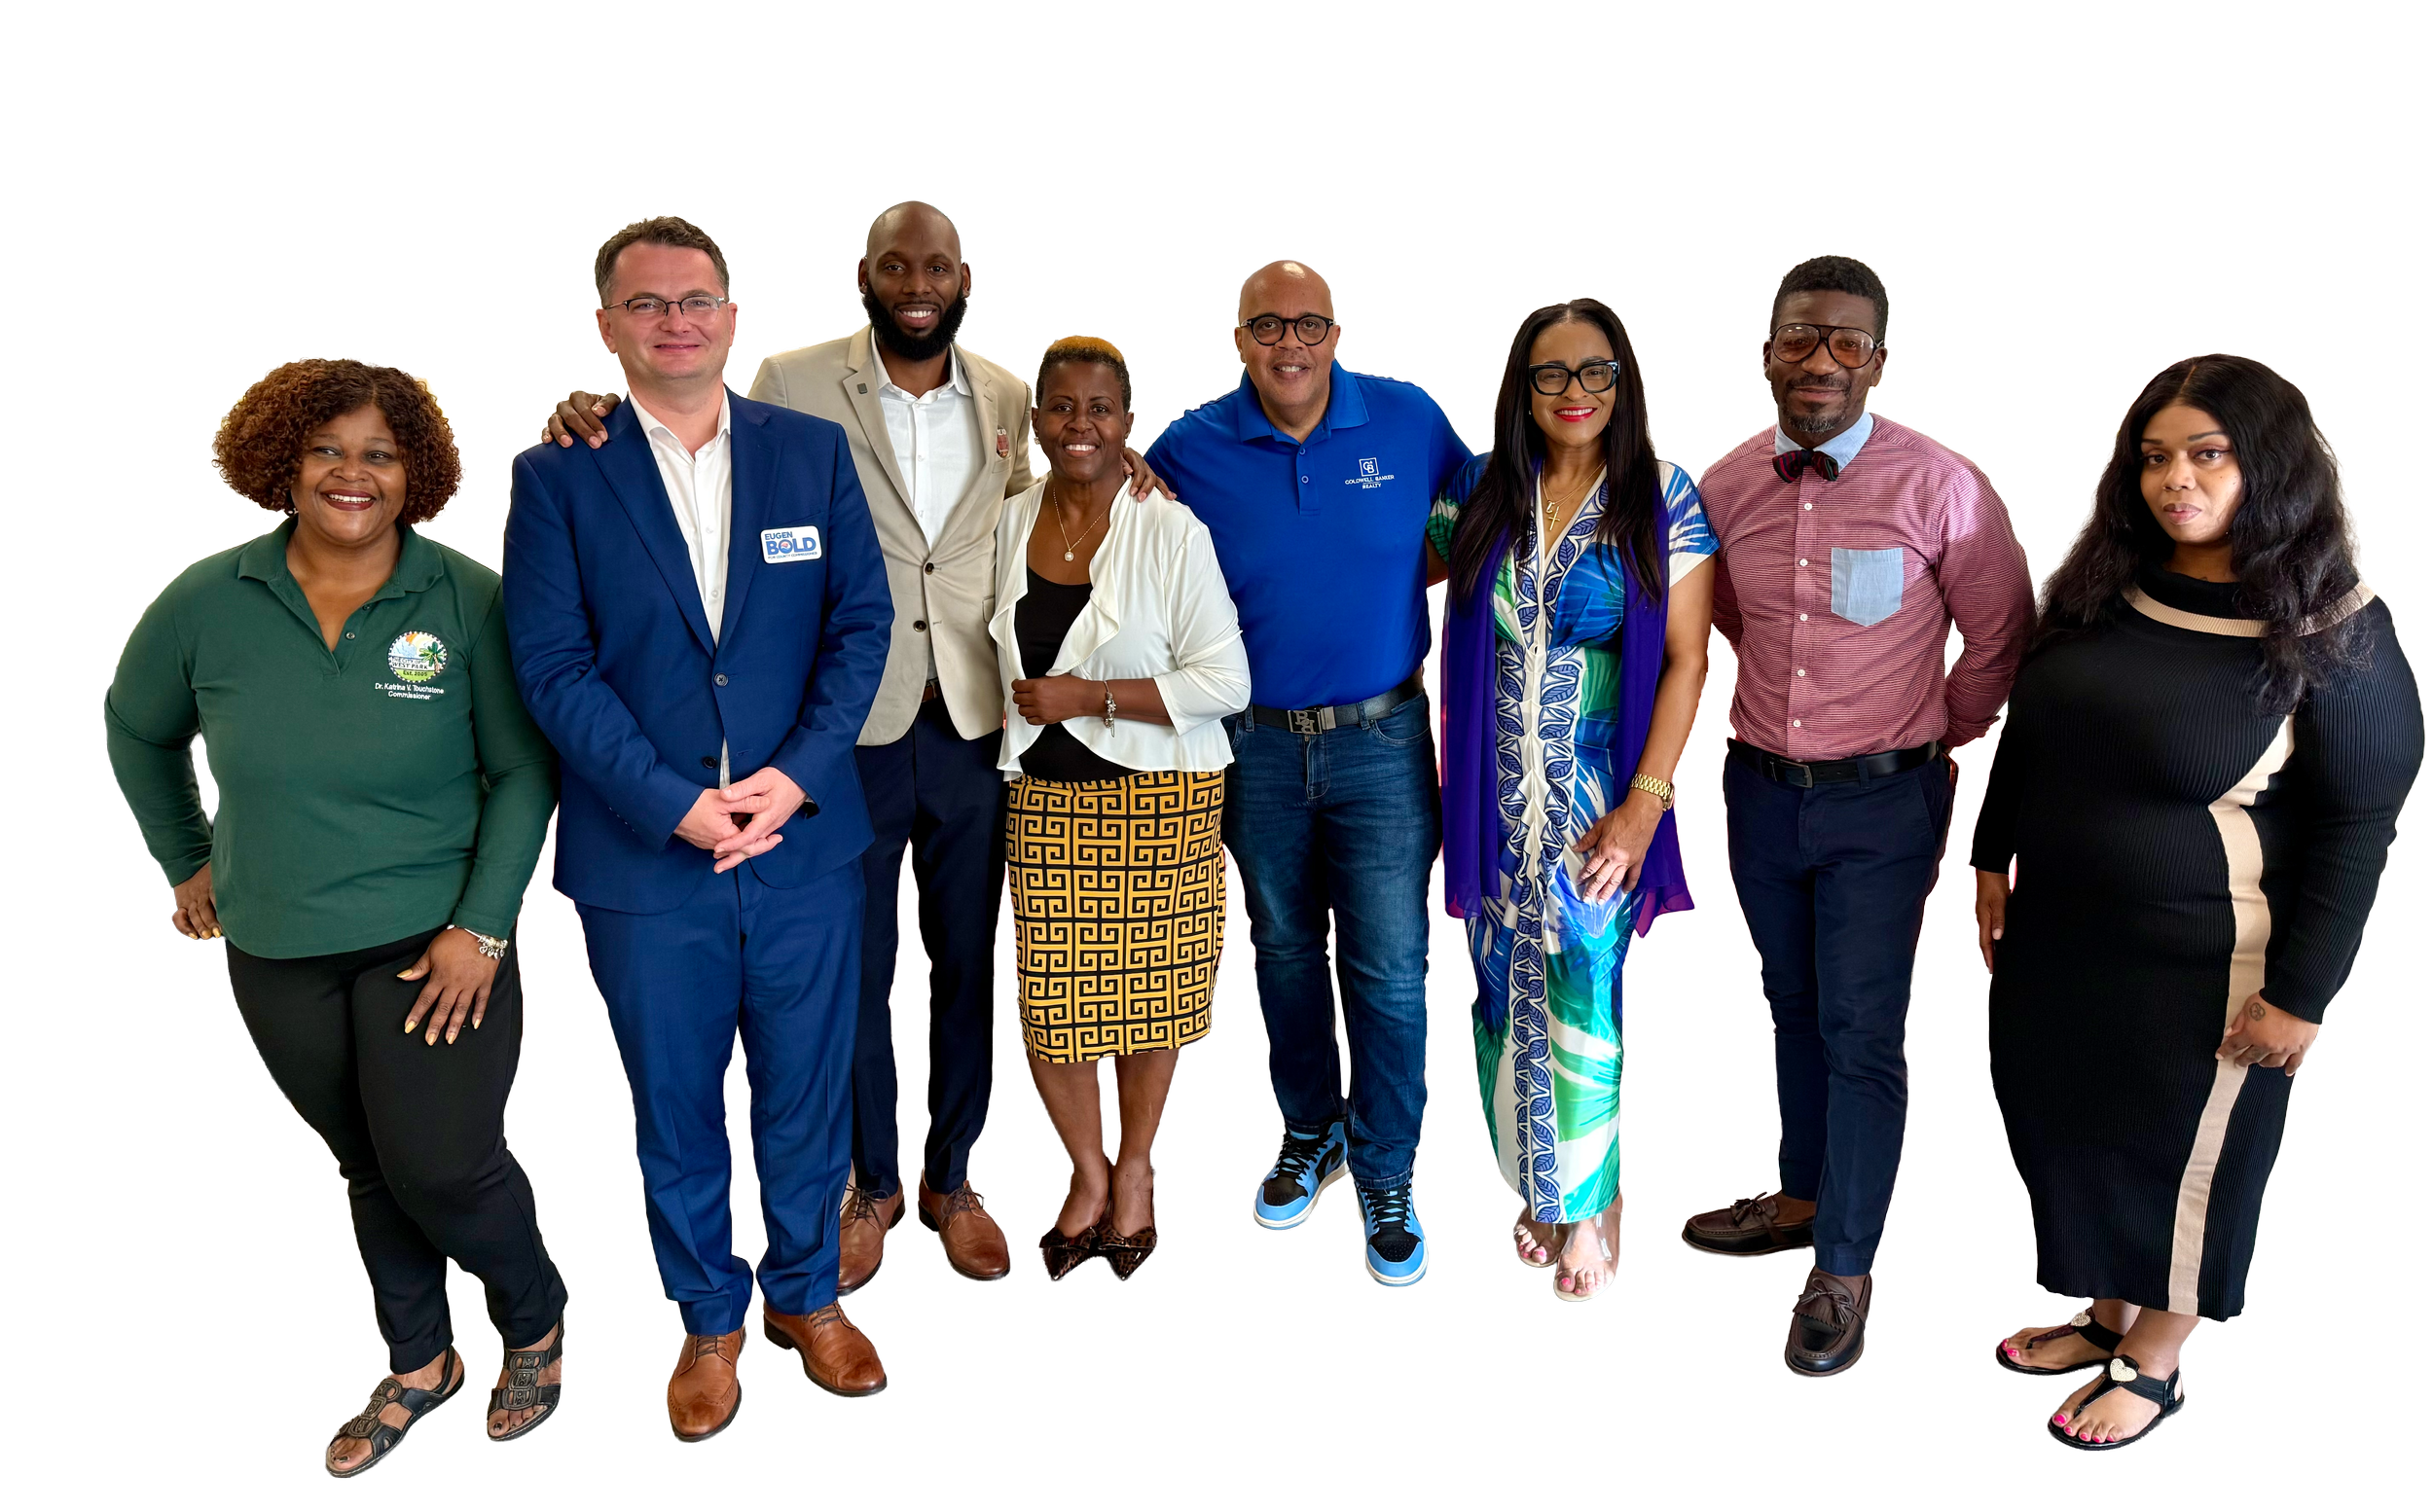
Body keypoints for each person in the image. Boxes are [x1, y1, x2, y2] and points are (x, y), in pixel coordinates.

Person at [543, 201, 1166, 1290]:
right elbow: (689, 419)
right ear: (866, 276)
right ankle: (869, 1185)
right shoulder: (791, 380)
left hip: (977, 715)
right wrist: (594, 409)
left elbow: (1055, 502)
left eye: (936, 266)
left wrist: (1136, 468)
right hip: (836, 730)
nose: (916, 282)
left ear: (963, 277)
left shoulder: (1014, 393)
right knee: (854, 972)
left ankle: (949, 1175)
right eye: (894, 264)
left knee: (967, 961)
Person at [108, 359, 568, 1474]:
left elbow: (522, 772)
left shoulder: (467, 598)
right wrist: (185, 857)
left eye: (379, 452)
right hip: (275, 942)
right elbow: (137, 729)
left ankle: (535, 1322)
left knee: (445, 1164)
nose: (351, 473)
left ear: (415, 472)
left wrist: (482, 930)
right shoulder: (208, 598)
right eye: (326, 450)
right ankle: (419, 1367)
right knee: (365, 1157)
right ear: (282, 464)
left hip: (435, 941)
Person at [1976, 353, 2421, 1451]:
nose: (2175, 479)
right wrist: (1992, 852)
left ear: (2265, 466)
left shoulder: (2337, 632)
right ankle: (2107, 1316)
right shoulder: (2102, 587)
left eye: (2207, 455)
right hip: (2061, 937)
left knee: (2180, 1164)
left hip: (2209, 962)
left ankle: (2158, 1360)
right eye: (2156, 457)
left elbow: (2357, 828)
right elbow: (2032, 731)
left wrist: (2298, 999)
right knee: (2064, 1130)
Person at [501, 215, 894, 1430]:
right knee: (672, 1103)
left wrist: (798, 775)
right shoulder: (557, 473)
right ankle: (709, 1323)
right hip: (644, 858)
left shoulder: (812, 454)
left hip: (801, 845)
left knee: (805, 1092)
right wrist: (671, 803)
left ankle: (807, 1296)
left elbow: (861, 628)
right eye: (646, 302)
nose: (676, 318)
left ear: (732, 318)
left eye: (697, 299)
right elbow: (553, 667)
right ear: (609, 326)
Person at [1678, 255, 2035, 1379]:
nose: (1819, 361)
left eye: (1845, 342)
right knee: (1790, 1001)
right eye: (1798, 339)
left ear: (1878, 362)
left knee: (1862, 1028)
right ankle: (1799, 1196)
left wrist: (1925, 733)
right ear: (1768, 353)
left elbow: (1998, 637)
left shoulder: (1943, 486)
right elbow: (1722, 614)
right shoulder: (1725, 485)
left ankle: (1841, 1260)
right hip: (1760, 790)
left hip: (1886, 799)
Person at [1144, 258, 1472, 1287]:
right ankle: (1311, 1133)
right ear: (1236, 336)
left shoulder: (1408, 420)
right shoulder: (1189, 445)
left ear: (1337, 332)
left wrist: (1406, 565)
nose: (1290, 345)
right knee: (1284, 951)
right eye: (1268, 326)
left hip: (1380, 743)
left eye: (1310, 325)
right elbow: (1117, 523)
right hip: (1252, 744)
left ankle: (1385, 1173)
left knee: (1384, 968)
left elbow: (1481, 514)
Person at [1427, 300, 1717, 1300]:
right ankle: (1539, 1188)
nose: (1575, 394)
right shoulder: (1478, 492)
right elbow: (1386, 558)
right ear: (1522, 389)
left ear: (1624, 380)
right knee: (1500, 998)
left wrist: (1644, 807)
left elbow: (1684, 661)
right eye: (1550, 375)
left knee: (1583, 1002)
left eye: (1595, 372)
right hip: (1493, 805)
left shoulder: (1665, 498)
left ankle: (1586, 1210)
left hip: (1598, 804)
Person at [990, 336, 1251, 1281]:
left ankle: (1135, 1179)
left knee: (1150, 1008)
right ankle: (1087, 1181)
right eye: (1061, 406)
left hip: (1162, 798)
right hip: (1047, 800)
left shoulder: (1170, 530)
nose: (1079, 425)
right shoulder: (1007, 523)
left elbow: (1225, 679)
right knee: (1056, 1010)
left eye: (1100, 408)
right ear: (1036, 420)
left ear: (1128, 423)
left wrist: (1085, 696)